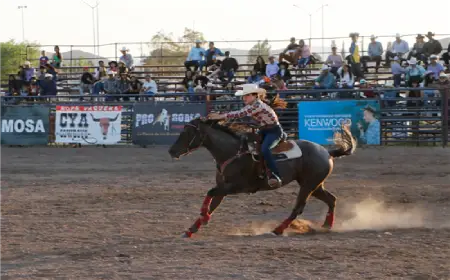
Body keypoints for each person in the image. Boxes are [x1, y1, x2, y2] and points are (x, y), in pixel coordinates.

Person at [207, 84, 288, 188]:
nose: (244, 98)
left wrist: (220, 116)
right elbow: (241, 114)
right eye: (243, 95)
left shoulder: (257, 105)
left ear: (255, 96)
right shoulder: (253, 105)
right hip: (264, 131)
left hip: (274, 132)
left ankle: (275, 175)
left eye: (247, 95)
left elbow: (240, 113)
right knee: (245, 145)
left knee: (264, 149)